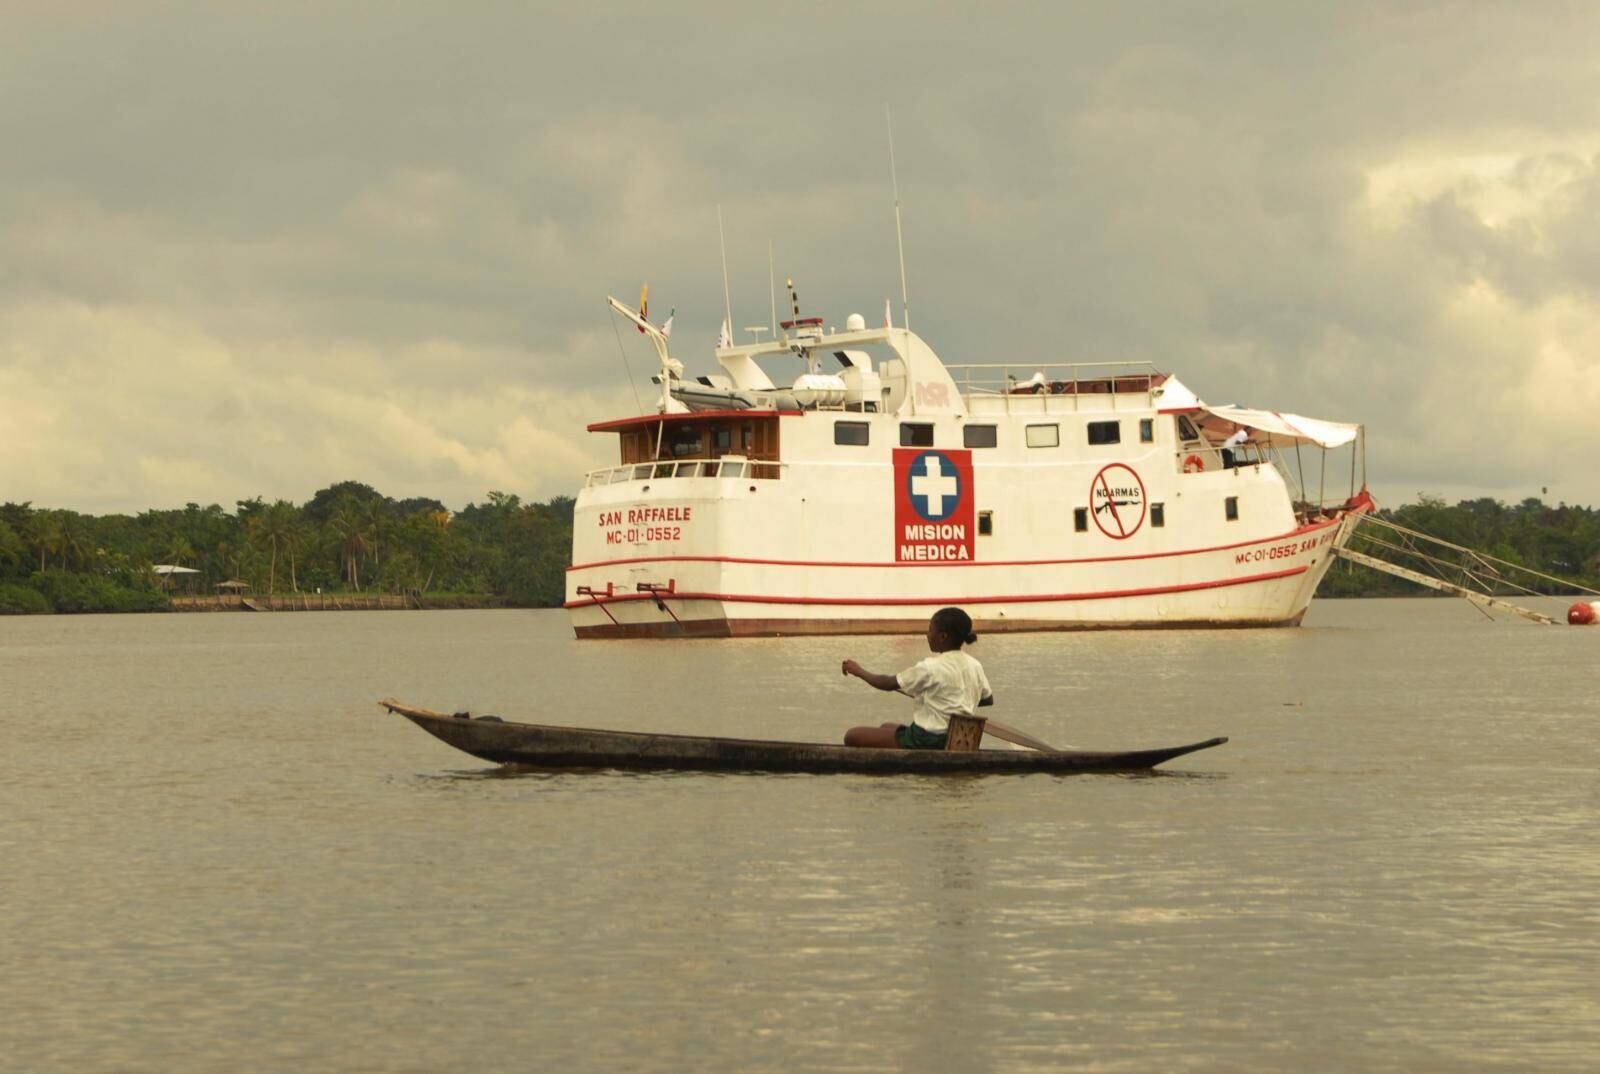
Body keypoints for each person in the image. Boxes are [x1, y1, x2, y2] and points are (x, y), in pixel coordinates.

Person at [840, 607, 994, 749]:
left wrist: (858, 671)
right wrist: (949, 699)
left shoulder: (930, 667)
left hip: (927, 740)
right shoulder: (975, 665)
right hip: (957, 737)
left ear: (942, 637)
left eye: (930, 630)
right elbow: (988, 699)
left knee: (851, 736)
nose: (927, 635)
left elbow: (887, 683)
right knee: (885, 726)